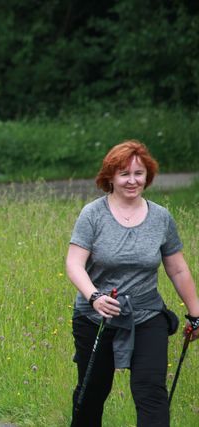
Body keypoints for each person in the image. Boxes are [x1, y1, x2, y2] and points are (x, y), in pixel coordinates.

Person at [65, 140, 199, 427]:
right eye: (124, 174)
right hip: (96, 316)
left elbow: (177, 269)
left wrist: (196, 313)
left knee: (151, 391)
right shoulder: (93, 214)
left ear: (147, 176)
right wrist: (95, 297)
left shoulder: (161, 217)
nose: (132, 180)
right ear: (110, 177)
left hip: (147, 315)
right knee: (91, 393)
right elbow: (74, 264)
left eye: (139, 173)